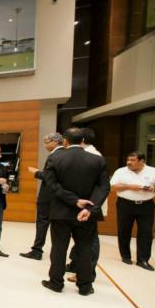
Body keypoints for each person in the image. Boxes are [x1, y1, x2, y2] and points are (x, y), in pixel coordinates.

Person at [42, 127, 110, 296]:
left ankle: (56, 282)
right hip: (86, 214)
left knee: (59, 248)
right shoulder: (97, 160)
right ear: (82, 140)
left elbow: (52, 185)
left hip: (61, 211)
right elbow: (104, 187)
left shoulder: (55, 158)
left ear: (65, 141)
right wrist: (90, 207)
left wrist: (74, 200)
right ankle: (85, 286)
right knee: (85, 248)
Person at [109, 151, 155, 271]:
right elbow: (112, 187)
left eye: (132, 160)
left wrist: (153, 188)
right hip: (125, 204)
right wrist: (131, 187)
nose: (128, 162)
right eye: (128, 160)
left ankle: (143, 260)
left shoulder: (153, 171)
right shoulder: (121, 171)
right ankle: (125, 256)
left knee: (146, 233)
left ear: (141, 161)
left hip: (146, 205)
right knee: (124, 230)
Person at [65, 127, 108, 281]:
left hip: (89, 205)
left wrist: (90, 207)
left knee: (90, 240)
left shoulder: (94, 156)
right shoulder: (86, 154)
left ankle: (88, 272)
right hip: (82, 204)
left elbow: (100, 186)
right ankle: (77, 265)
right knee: (82, 238)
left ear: (81, 139)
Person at [20, 132, 65, 260]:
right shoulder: (66, 155)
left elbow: (49, 177)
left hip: (48, 196)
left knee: (42, 223)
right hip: (60, 196)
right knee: (58, 227)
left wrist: (36, 172)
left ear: (55, 142)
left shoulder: (53, 156)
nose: (45, 145)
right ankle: (57, 254)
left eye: (47, 142)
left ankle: (37, 250)